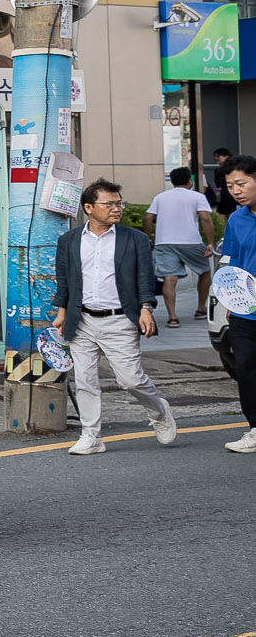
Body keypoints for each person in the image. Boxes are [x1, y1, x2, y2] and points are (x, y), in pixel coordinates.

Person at [50, 179, 175, 455]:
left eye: (119, 203)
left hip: (120, 319)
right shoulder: (69, 240)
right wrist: (61, 313)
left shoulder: (135, 238)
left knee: (130, 379)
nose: (116, 209)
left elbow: (145, 276)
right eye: (109, 204)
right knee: (85, 380)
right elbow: (64, 280)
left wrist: (146, 308)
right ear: (88, 208)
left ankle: (159, 409)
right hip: (80, 320)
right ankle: (91, 435)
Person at [218, 155, 256, 454]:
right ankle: (255, 428)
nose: (235, 190)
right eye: (231, 185)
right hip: (245, 310)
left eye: (241, 183)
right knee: (245, 369)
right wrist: (230, 299)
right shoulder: (237, 219)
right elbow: (230, 261)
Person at [147, 166, 217, 326]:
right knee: (205, 271)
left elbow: (148, 217)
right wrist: (211, 242)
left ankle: (172, 317)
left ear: (172, 181)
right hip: (191, 241)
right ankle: (200, 309)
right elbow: (205, 218)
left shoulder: (160, 197)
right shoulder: (197, 197)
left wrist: (147, 236)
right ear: (189, 181)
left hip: (164, 242)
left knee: (169, 278)